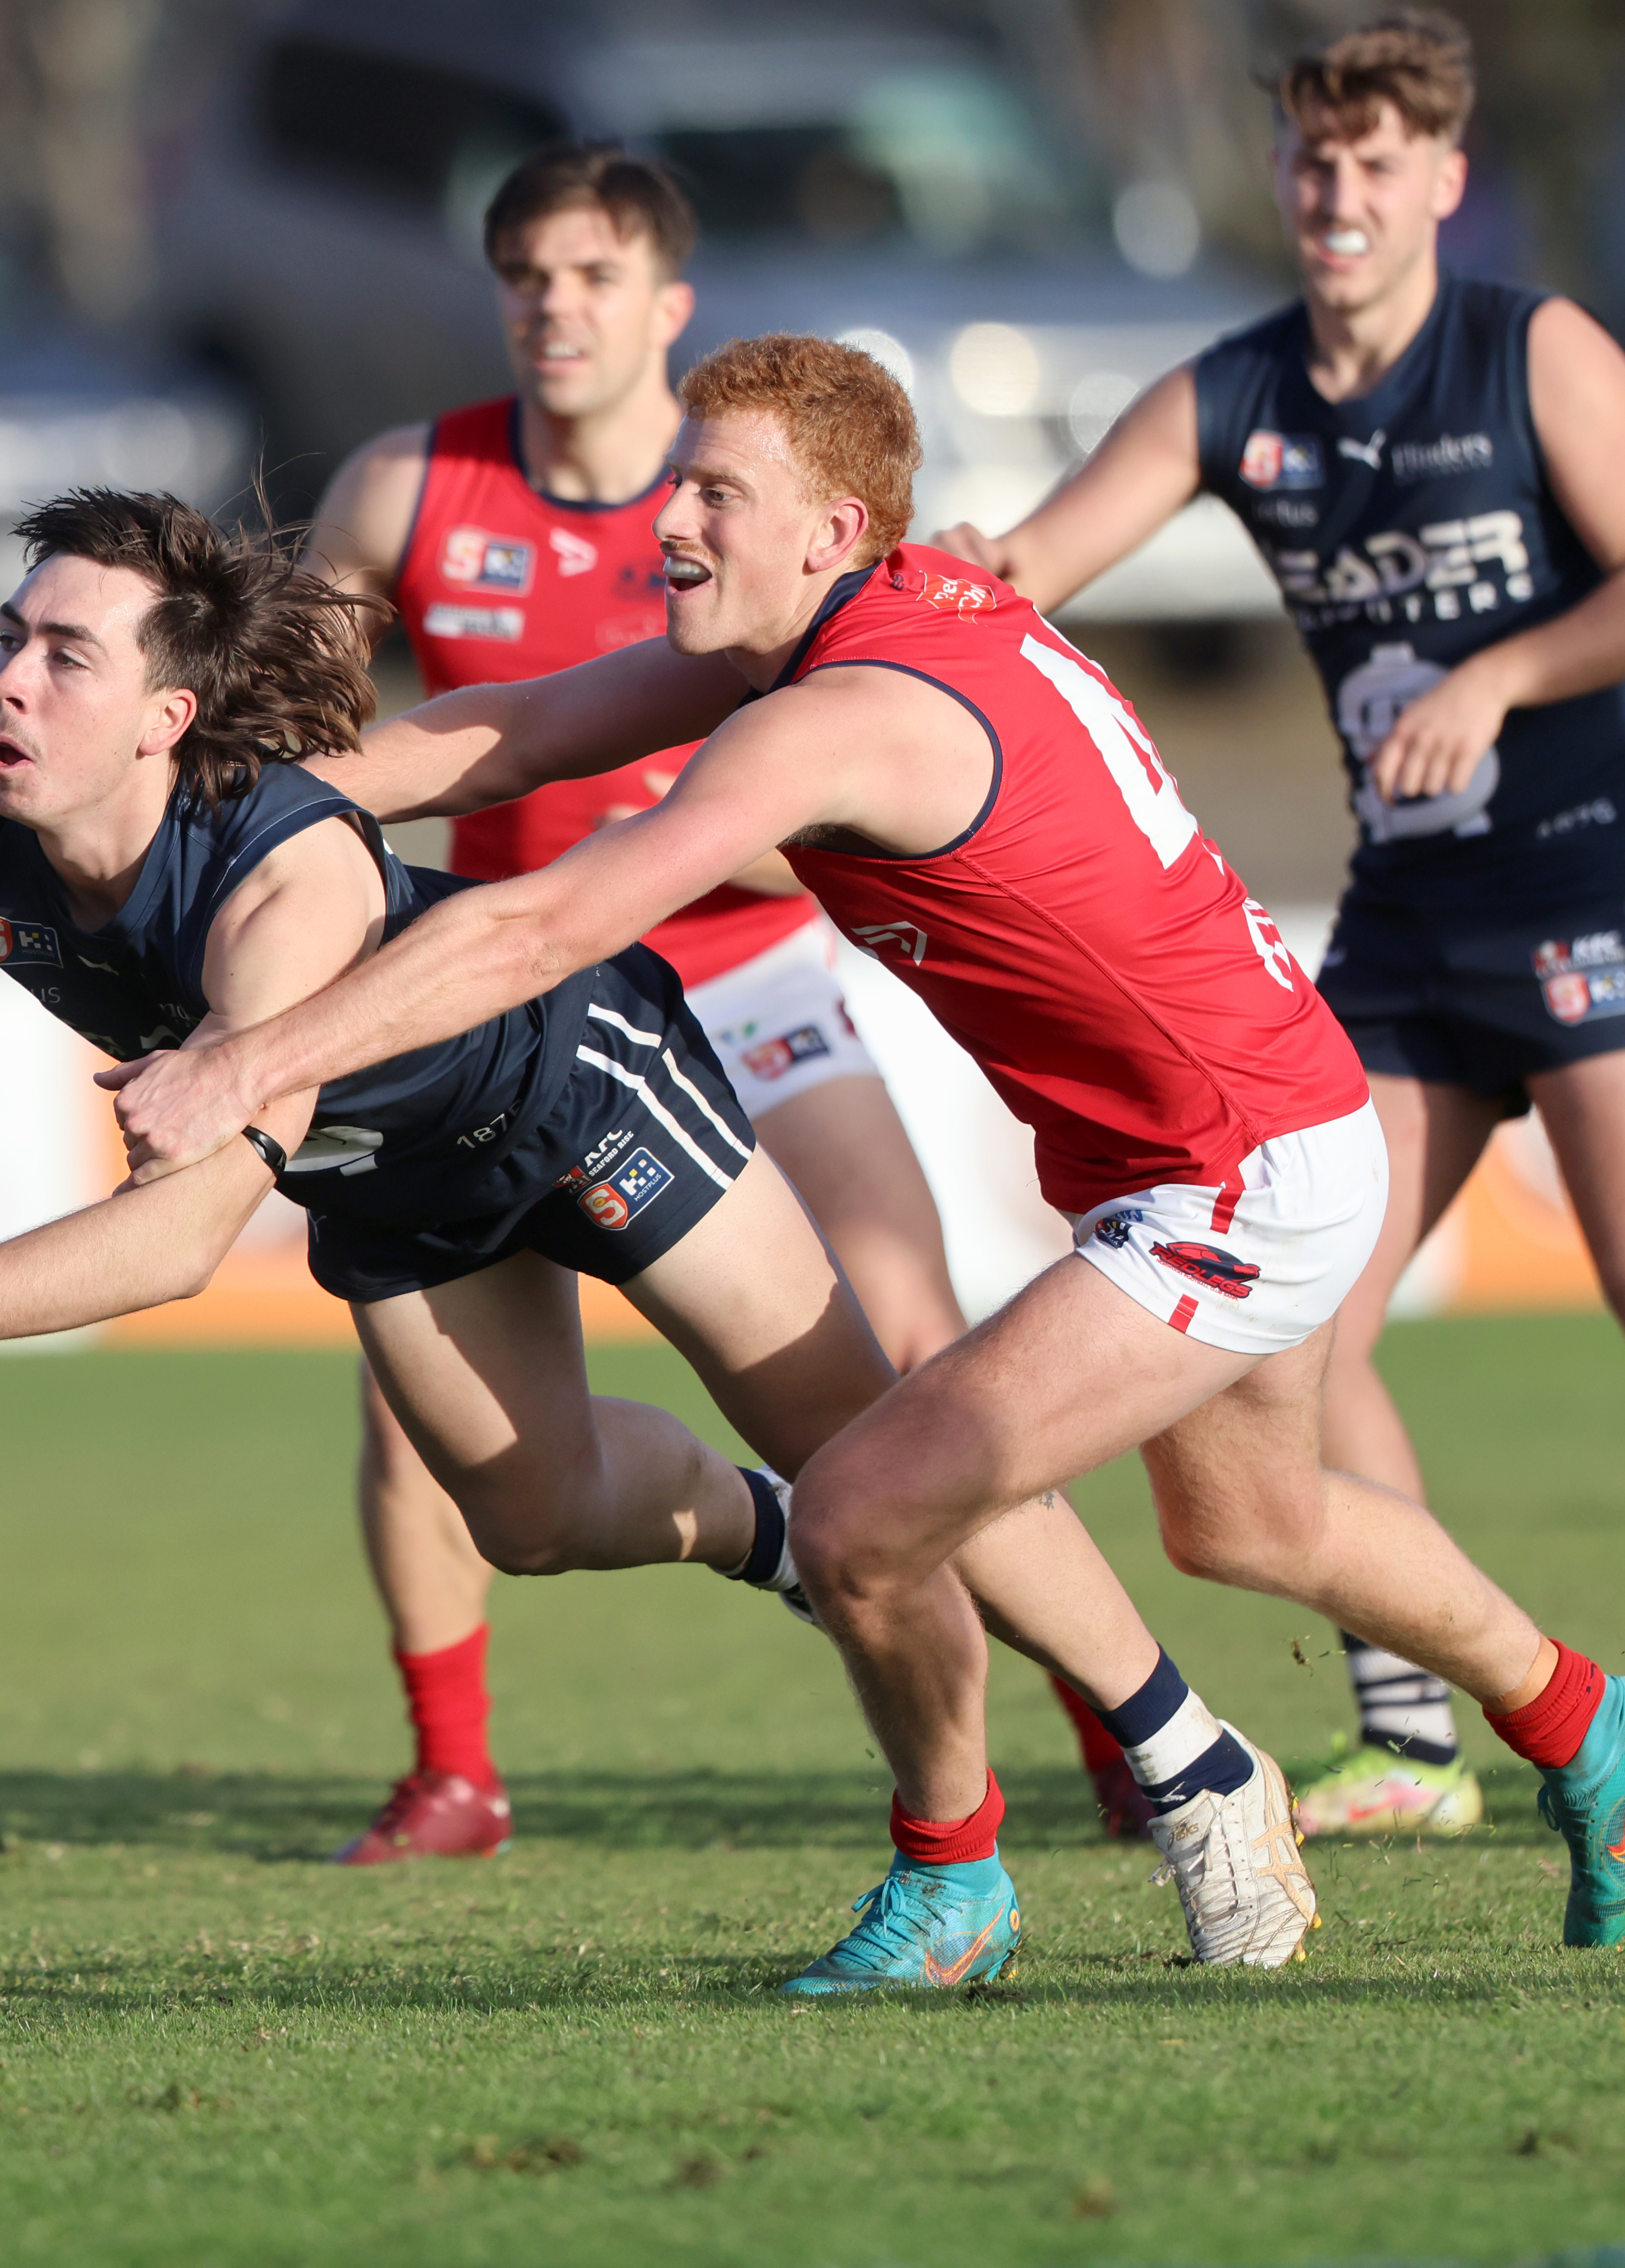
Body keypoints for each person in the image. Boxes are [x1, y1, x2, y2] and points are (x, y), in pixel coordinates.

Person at [0, 489, 1318, 1988]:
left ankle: (1153, 1769)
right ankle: (774, 1533)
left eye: (63, 652)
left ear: (164, 712)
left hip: (580, 1083)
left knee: (867, 1437)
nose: (10, 676)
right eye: (11, 634)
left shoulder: (281, 873)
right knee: (532, 1526)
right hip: (390, 1175)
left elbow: (173, 1244)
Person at [112, 338, 1625, 1967]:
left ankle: (956, 1878)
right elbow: (516, 736)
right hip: (1248, 1128)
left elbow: (554, 916)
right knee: (1250, 1526)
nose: (667, 517)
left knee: (864, 1511)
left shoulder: (846, 716)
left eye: (712, 491)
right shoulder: (836, 630)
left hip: (1236, 1171)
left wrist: (255, 1057)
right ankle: (1595, 1721)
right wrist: (220, 800)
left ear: (831, 529)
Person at [940, 11, 1625, 1834]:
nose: (1337, 194)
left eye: (1376, 164)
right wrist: (942, 572)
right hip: (1405, 916)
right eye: (1314, 160)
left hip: (1584, 875)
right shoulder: (1231, 393)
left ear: (1444, 184)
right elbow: (1036, 577)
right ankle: (1410, 1737)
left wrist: (1498, 672)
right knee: (1309, 1332)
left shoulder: (1529, 348)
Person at [302, 141, 1070, 1864]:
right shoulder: (408, 487)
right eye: (524, 275)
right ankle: (454, 1775)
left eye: (590, 278)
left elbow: (876, 802)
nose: (552, 309)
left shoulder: (764, 500)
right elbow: (315, 744)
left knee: (907, 1337)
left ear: (668, 305)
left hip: (743, 964)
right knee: (415, 1396)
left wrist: (701, 852)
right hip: (514, 995)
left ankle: (1098, 1708)